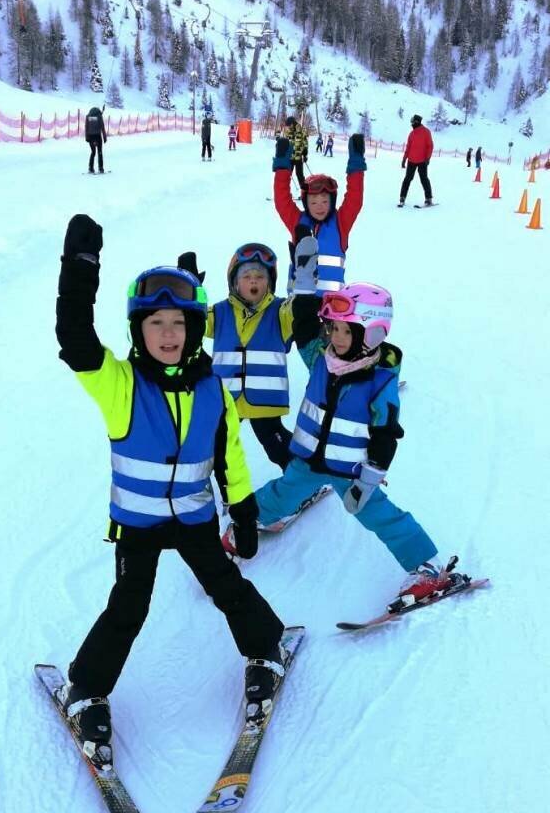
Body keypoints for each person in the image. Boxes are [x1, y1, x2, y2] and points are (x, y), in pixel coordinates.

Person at [54, 215, 287, 755]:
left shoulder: (212, 389)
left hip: (194, 518)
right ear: (137, 330)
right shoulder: (119, 384)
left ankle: (266, 648)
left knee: (227, 588)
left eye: (178, 323)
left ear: (192, 328)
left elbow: (229, 455)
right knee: (128, 608)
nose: (167, 334)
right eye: (155, 323)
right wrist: (80, 269)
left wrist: (243, 510)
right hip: (138, 525)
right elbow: (74, 338)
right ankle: (86, 688)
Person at [224, 253, 467, 610]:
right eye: (333, 328)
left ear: (371, 333)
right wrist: (304, 289)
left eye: (346, 330)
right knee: (281, 495)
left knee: (380, 515)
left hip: (349, 471)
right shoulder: (321, 358)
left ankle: (427, 568)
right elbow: (304, 326)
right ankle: (246, 524)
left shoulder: (379, 380)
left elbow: (385, 433)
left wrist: (369, 478)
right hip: (307, 461)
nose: (336, 337)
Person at [198, 243, 295, 471]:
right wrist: (191, 293)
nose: (253, 281)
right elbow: (193, 324)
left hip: (265, 401)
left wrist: (302, 281)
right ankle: (200, 483)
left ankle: (302, 479)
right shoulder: (219, 312)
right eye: (246, 276)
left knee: (276, 446)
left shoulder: (281, 312)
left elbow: (299, 310)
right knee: (211, 445)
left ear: (269, 283)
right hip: (226, 399)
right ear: (235, 282)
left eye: (260, 277)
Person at [272, 133, 366, 295]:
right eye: (313, 202)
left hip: (331, 306)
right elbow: (282, 200)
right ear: (306, 204)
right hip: (299, 304)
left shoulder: (340, 223)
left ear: (332, 201)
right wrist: (282, 168)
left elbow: (354, 199)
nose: (319, 207)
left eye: (325, 201)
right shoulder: (298, 221)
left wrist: (356, 165)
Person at [399, 114, 433, 207]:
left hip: (422, 161)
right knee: (407, 179)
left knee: (424, 179)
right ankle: (402, 197)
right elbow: (408, 147)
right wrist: (404, 159)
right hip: (411, 161)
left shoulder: (426, 132)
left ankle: (428, 198)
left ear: (417, 122)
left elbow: (430, 146)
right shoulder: (412, 134)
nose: (411, 124)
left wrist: (427, 158)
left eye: (412, 122)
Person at [283, 115, 309, 189]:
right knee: (287, 174)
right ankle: (284, 189)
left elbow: (305, 142)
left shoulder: (301, 130)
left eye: (289, 125)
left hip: (298, 156)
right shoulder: (288, 131)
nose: (288, 127)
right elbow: (285, 142)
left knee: (299, 174)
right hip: (290, 157)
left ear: (292, 123)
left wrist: (305, 154)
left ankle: (304, 189)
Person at [84, 106, 107, 174]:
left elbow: (86, 127)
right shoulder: (99, 117)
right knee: (99, 152)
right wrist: (104, 137)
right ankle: (101, 168)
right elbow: (102, 127)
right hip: (97, 136)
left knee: (93, 152)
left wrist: (86, 137)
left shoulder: (88, 117)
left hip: (90, 136)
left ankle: (90, 168)